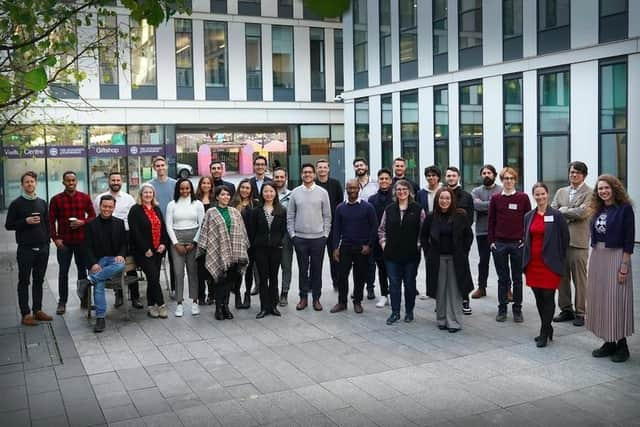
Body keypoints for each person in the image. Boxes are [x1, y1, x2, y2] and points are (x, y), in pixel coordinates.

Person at [587, 175, 635, 363]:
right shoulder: (598, 210)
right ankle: (609, 342)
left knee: (616, 299)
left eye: (606, 188)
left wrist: (624, 266)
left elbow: (629, 240)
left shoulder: (625, 210)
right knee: (601, 300)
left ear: (614, 188)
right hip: (599, 256)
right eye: (600, 189)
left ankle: (622, 345)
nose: (603, 191)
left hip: (616, 256)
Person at [522, 183, 569, 348]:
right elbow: (526, 239)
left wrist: (559, 260)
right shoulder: (528, 216)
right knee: (539, 298)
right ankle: (547, 328)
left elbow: (565, 239)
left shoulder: (556, 215)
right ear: (533, 196)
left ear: (547, 195)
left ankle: (544, 331)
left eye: (542, 194)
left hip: (550, 265)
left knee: (548, 297)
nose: (540, 197)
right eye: (537, 194)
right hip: (533, 264)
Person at [422, 187, 474, 333]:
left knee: (455, 291)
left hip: (455, 258)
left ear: (452, 200)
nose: (444, 201)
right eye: (441, 198)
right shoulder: (431, 216)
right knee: (440, 290)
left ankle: (454, 321)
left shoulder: (460, 215)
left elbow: (468, 236)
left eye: (447, 198)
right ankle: (441, 319)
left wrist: (463, 252)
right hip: (437, 258)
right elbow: (423, 236)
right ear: (437, 200)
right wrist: (428, 252)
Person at [5, 171, 52, 326]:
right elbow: (9, 225)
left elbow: (47, 224)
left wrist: (47, 244)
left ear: (36, 183)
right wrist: (25, 221)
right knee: (24, 281)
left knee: (39, 280)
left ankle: (37, 310)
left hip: (42, 249)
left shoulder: (42, 202)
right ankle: (26, 314)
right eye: (26, 182)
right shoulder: (16, 204)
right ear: (22, 185)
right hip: (25, 249)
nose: (30, 184)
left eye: (32, 181)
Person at [197, 185, 250, 321]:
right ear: (217, 197)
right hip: (218, 252)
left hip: (234, 253)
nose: (225, 197)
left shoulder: (234, 212)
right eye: (222, 195)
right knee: (220, 281)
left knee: (229, 281)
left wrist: (243, 248)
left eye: (227, 195)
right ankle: (218, 308)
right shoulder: (211, 212)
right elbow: (205, 232)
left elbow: (242, 232)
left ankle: (226, 306)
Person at [550, 161, 592, 327]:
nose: (574, 175)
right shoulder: (561, 191)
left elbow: (583, 213)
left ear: (584, 175)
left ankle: (581, 312)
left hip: (578, 243)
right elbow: (552, 211)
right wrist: (569, 211)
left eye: (578, 172)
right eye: (572, 172)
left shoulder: (590, 193)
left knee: (580, 280)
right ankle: (566, 309)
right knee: (562, 278)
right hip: (561, 242)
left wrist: (564, 210)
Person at [378, 179, 425, 325]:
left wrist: (418, 245)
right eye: (398, 189)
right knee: (394, 284)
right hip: (391, 254)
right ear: (395, 192)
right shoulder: (389, 209)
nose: (401, 192)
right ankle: (395, 312)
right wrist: (384, 244)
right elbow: (381, 229)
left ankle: (409, 311)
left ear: (409, 191)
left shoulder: (418, 209)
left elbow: (423, 231)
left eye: (404, 189)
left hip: (411, 255)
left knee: (410, 284)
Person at [488, 167, 531, 323]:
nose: (508, 181)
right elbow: (491, 221)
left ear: (515, 180)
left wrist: (525, 241)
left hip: (517, 244)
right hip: (499, 244)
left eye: (511, 178)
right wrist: (491, 242)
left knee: (517, 278)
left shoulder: (523, 198)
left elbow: (528, 221)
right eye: (506, 178)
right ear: (502, 180)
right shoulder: (496, 198)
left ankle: (517, 310)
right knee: (502, 279)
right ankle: (502, 309)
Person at [49, 171, 96, 314]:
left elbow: (93, 216)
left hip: (82, 241)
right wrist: (55, 238)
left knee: (83, 272)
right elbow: (50, 221)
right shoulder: (56, 199)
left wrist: (83, 222)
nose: (71, 183)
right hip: (64, 243)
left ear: (76, 181)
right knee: (63, 272)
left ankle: (84, 300)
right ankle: (62, 302)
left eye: (73, 180)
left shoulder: (84, 198)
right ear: (63, 182)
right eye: (68, 181)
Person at [93, 171, 141, 309]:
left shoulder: (128, 198)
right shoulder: (100, 198)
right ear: (109, 181)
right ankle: (119, 295)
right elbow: (98, 216)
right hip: (108, 236)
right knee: (114, 263)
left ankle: (135, 296)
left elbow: (133, 218)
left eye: (118, 180)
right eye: (113, 180)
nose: (115, 182)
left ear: (122, 181)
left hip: (126, 234)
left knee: (130, 266)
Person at [287, 163, 332, 311]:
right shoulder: (295, 192)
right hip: (300, 238)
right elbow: (290, 216)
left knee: (316, 270)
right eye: (304, 172)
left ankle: (317, 299)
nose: (307, 174)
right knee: (302, 270)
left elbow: (327, 215)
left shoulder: (322, 192)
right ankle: (303, 298)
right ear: (301, 175)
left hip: (318, 238)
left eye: (310, 172)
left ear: (314, 175)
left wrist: (325, 234)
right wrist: (293, 235)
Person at [330, 179, 378, 314]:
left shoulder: (368, 207)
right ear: (346, 189)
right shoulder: (340, 208)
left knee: (360, 276)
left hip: (362, 249)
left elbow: (374, 227)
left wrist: (369, 245)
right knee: (342, 276)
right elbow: (336, 230)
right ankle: (342, 302)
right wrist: (335, 248)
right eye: (349, 188)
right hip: (345, 247)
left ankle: (357, 301)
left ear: (359, 189)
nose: (352, 190)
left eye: (354, 188)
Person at [82, 195, 128, 333]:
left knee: (120, 265)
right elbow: (87, 247)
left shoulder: (119, 223)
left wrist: (121, 254)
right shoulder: (90, 225)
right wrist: (93, 264)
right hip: (99, 261)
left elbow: (124, 244)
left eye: (110, 207)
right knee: (99, 285)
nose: (107, 209)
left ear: (113, 208)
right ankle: (100, 318)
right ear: (99, 206)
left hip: (114, 260)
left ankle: (89, 280)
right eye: (104, 206)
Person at [128, 183, 170, 319]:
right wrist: (145, 249)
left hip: (158, 250)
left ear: (153, 195)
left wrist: (163, 244)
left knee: (153, 278)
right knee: (153, 277)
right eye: (145, 192)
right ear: (141, 194)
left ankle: (151, 306)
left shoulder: (156, 209)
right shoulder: (135, 210)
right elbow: (135, 233)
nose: (148, 195)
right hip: (143, 252)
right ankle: (161, 304)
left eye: (150, 193)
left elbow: (163, 228)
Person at [166, 178, 205, 317]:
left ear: (191, 189)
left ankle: (195, 302)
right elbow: (168, 225)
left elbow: (202, 225)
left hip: (193, 241)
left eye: (187, 188)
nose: (185, 191)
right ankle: (179, 303)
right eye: (182, 188)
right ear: (178, 189)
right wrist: (176, 243)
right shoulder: (172, 205)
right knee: (178, 273)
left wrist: (194, 243)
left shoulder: (197, 204)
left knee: (193, 272)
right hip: (176, 241)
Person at [248, 182, 286, 319]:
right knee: (263, 279)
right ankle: (264, 307)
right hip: (260, 249)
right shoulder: (256, 211)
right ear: (262, 193)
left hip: (276, 249)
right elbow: (252, 232)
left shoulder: (281, 210)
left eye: (271, 191)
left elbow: (283, 231)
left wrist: (277, 242)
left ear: (275, 193)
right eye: (266, 191)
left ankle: (273, 306)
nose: (268, 194)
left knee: (274, 277)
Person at [444, 166, 475, 314]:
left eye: (453, 176)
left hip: (460, 241)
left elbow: (469, 220)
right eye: (448, 176)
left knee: (462, 270)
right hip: (444, 240)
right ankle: (446, 301)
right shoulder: (441, 194)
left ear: (459, 177)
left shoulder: (466, 197)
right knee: (445, 272)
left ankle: (464, 299)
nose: (451, 178)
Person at [470, 165, 503, 299]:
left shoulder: (501, 190)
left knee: (500, 261)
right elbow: (475, 206)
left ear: (494, 175)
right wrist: (492, 205)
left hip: (498, 232)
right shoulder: (476, 191)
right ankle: (481, 287)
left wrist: (485, 204)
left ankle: (507, 288)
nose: (486, 175)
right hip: (482, 232)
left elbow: (501, 207)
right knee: (483, 261)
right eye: (484, 173)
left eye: (489, 173)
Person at [148, 156, 178, 298]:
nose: (160, 168)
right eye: (157, 166)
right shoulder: (149, 185)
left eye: (162, 165)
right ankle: (155, 289)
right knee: (156, 260)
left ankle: (174, 287)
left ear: (166, 166)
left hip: (172, 226)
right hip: (156, 228)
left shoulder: (175, 184)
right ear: (154, 168)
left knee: (173, 259)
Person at [315, 159, 344, 291]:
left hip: (333, 226)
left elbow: (340, 204)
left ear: (328, 169)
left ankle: (337, 282)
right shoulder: (313, 184)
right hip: (316, 227)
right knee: (315, 258)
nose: (322, 170)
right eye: (320, 167)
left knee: (335, 256)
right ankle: (313, 284)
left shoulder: (335, 184)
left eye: (324, 167)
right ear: (316, 169)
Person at [352, 157, 378, 300]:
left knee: (370, 260)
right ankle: (358, 288)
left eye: (361, 165)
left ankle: (370, 287)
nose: (359, 168)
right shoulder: (351, 184)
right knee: (356, 260)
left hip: (371, 225)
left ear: (366, 166)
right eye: (356, 166)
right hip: (355, 226)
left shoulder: (375, 184)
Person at [416, 165, 443, 300]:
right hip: (427, 231)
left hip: (442, 230)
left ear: (438, 177)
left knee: (442, 262)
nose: (431, 177)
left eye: (434, 175)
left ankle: (442, 290)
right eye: (428, 175)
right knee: (429, 261)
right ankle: (430, 290)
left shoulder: (444, 190)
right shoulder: (421, 193)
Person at [231, 178, 258, 307]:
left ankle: (247, 294)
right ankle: (237, 295)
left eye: (247, 188)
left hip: (252, 243)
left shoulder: (256, 204)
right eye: (242, 187)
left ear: (251, 190)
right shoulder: (233, 204)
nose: (245, 190)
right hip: (237, 243)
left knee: (249, 271)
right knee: (237, 271)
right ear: (239, 188)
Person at [368, 168, 394, 308]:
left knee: (394, 269)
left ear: (390, 181)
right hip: (378, 240)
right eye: (381, 179)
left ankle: (394, 293)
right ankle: (384, 294)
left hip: (395, 240)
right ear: (378, 181)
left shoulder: (396, 197)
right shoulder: (372, 200)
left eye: (386, 179)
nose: (383, 181)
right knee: (382, 268)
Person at [273, 167, 293, 306]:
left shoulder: (292, 195)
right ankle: (272, 292)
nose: (279, 179)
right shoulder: (268, 193)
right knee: (271, 267)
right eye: (276, 177)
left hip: (286, 236)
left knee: (286, 266)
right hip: (270, 236)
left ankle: (284, 293)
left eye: (282, 177)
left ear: (285, 178)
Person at [195, 176, 215, 305]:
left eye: (208, 183)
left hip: (213, 239)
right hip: (199, 238)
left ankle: (212, 295)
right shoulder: (195, 199)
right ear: (200, 184)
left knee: (212, 268)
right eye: (204, 183)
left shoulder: (215, 199)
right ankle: (201, 296)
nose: (206, 185)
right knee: (200, 269)